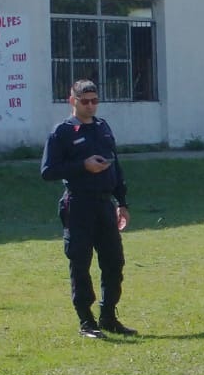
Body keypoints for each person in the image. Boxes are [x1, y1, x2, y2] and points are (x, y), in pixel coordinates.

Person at [40, 79, 135, 339]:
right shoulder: (62, 132)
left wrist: (122, 203)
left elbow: (116, 166)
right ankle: (86, 321)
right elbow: (48, 171)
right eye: (85, 101)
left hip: (105, 204)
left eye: (94, 101)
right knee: (80, 262)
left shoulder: (103, 127)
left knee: (114, 261)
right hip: (78, 204)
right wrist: (84, 165)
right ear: (72, 101)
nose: (91, 106)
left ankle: (109, 315)